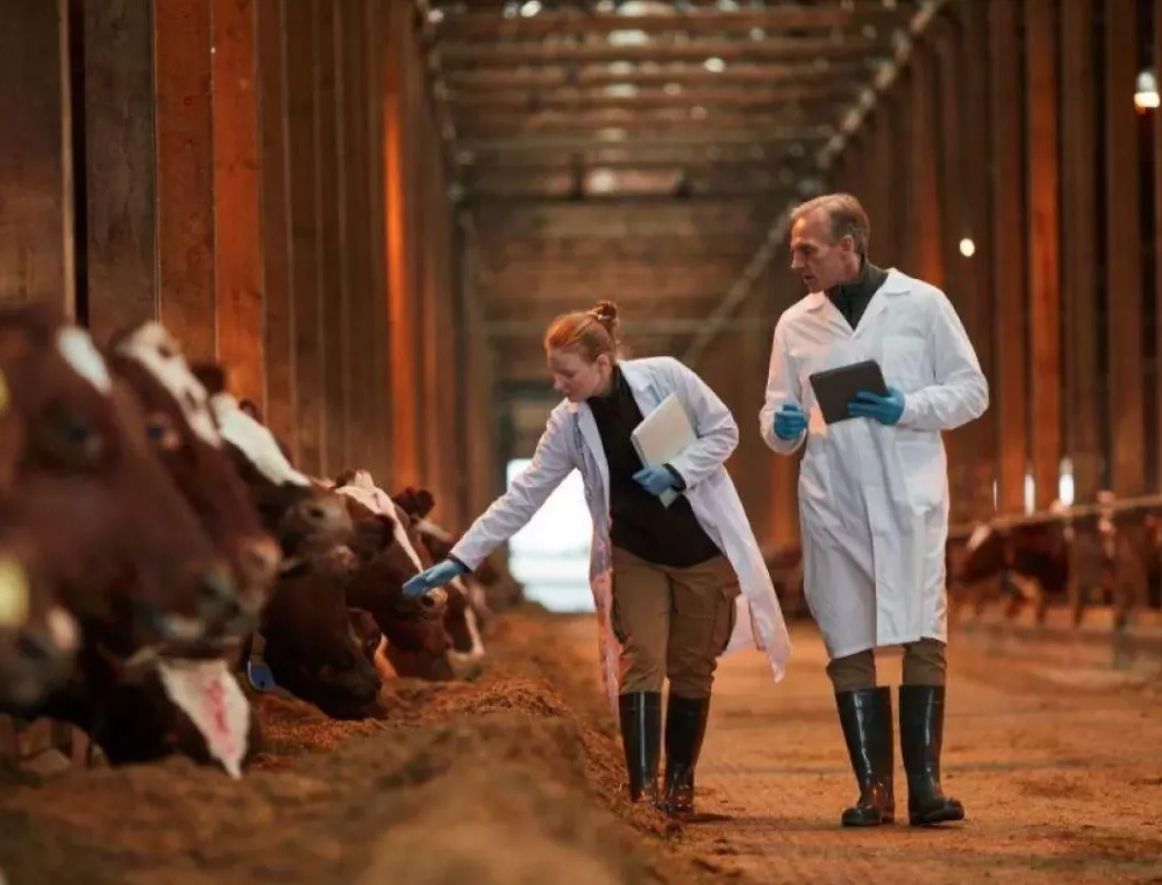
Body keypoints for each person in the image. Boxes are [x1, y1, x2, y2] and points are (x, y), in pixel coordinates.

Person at [403, 301, 791, 817]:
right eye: (554, 373)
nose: (559, 384)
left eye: (568, 373)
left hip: (701, 551)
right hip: (635, 554)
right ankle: (643, 792)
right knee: (642, 661)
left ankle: (679, 785)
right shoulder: (568, 424)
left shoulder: (669, 377)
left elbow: (724, 431)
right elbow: (524, 494)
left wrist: (677, 470)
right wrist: (461, 558)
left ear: (602, 363)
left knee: (693, 668)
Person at [759, 193, 988, 828]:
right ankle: (874, 793)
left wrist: (907, 407)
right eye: (793, 252)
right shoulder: (794, 324)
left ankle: (927, 788)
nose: (797, 263)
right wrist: (780, 425)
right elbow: (776, 417)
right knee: (848, 638)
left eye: (807, 250)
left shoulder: (923, 304)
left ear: (848, 245)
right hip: (833, 501)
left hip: (908, 495)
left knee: (922, 629)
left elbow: (972, 390)